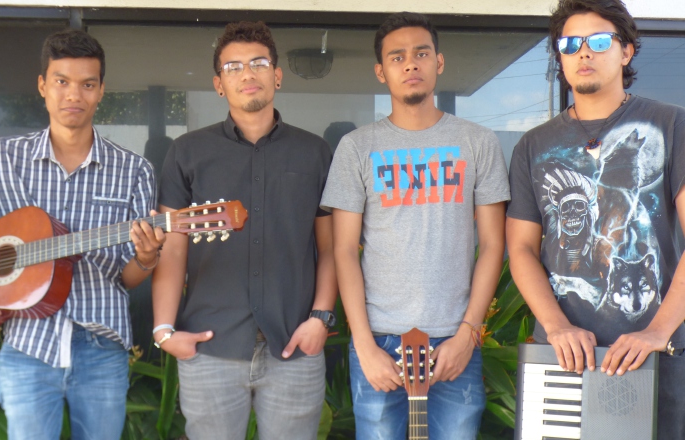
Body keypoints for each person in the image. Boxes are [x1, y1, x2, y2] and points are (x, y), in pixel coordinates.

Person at [0, 29, 164, 439]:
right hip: (27, 348)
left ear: (100, 92)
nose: (73, 94)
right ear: (43, 86)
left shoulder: (135, 172)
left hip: (102, 349)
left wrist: (146, 259)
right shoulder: (2, 158)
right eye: (61, 81)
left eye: (87, 84)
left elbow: (125, 279)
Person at [321, 12, 509, 440]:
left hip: (454, 341)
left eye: (421, 53)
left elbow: (493, 245)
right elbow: (344, 250)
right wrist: (364, 346)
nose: (410, 64)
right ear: (381, 71)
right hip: (380, 342)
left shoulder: (477, 142)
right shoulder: (356, 148)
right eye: (397, 57)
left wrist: (468, 335)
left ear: (438, 63)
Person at [506, 0, 685, 436]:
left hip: (655, 357)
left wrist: (657, 330)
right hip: (564, 361)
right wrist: (556, 326)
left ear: (626, 52)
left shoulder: (671, 125)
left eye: (599, 40)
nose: (583, 52)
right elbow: (522, 248)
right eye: (570, 43)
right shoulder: (532, 145)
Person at [151, 21, 336, 440]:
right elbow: (172, 248)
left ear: (277, 75)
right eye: (233, 67)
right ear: (219, 84)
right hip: (210, 348)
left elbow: (330, 248)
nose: (247, 74)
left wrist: (321, 318)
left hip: (295, 346)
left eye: (258, 63)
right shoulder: (187, 153)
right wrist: (164, 331)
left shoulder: (314, 152)